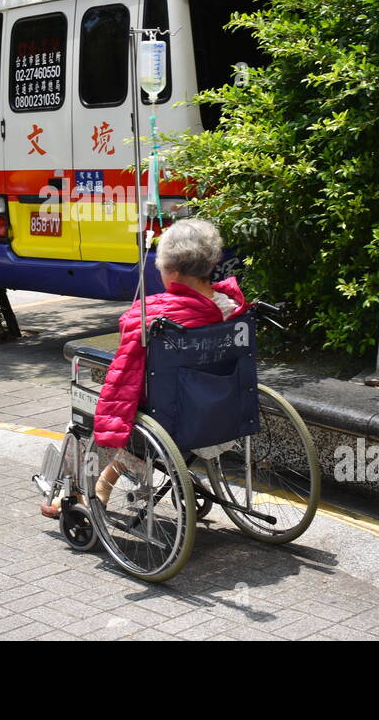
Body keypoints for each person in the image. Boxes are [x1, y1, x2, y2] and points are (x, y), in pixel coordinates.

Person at [42, 218, 246, 518]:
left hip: (169, 418)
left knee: (88, 419)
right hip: (223, 411)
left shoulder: (153, 315)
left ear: (173, 273)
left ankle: (80, 490)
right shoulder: (231, 305)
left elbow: (124, 374)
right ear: (211, 262)